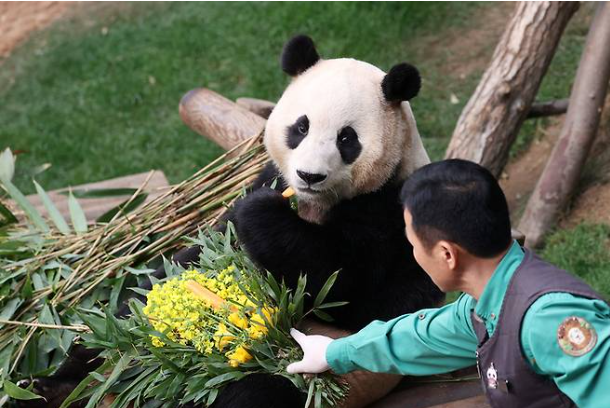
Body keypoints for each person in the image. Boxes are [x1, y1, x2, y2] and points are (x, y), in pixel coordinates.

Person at [286, 159, 610, 408]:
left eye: (412, 243)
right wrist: (335, 352)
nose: (413, 254)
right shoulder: (487, 301)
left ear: (447, 254)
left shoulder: (550, 319)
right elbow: (422, 337)